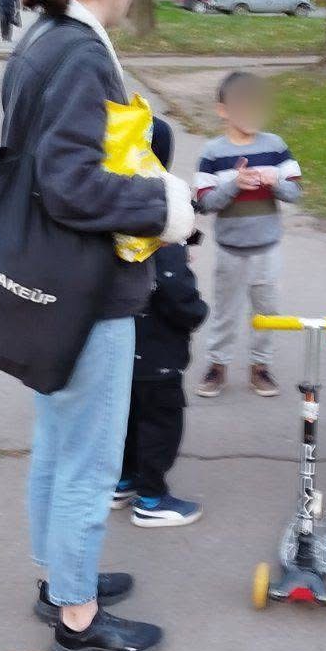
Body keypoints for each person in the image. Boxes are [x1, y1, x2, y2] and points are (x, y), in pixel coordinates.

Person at [10, 0, 195, 651]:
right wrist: (165, 206)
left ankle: (61, 580)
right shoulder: (81, 52)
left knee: (58, 442)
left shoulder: (43, 36)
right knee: (87, 456)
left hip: (48, 276)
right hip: (86, 285)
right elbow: (71, 184)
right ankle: (78, 618)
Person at [112, 116, 209, 527]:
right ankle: (151, 498)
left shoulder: (109, 206)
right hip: (158, 353)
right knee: (159, 422)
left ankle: (122, 481)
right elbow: (175, 289)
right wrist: (195, 314)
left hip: (118, 344)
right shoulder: (161, 220)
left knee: (124, 417)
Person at [194, 71, 301, 398]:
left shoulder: (275, 147)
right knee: (225, 312)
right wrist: (234, 185)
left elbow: (294, 193)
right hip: (230, 249)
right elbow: (205, 202)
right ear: (223, 111)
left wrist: (274, 183)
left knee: (266, 312)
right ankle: (218, 365)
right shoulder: (213, 152)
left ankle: (260, 366)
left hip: (267, 249)